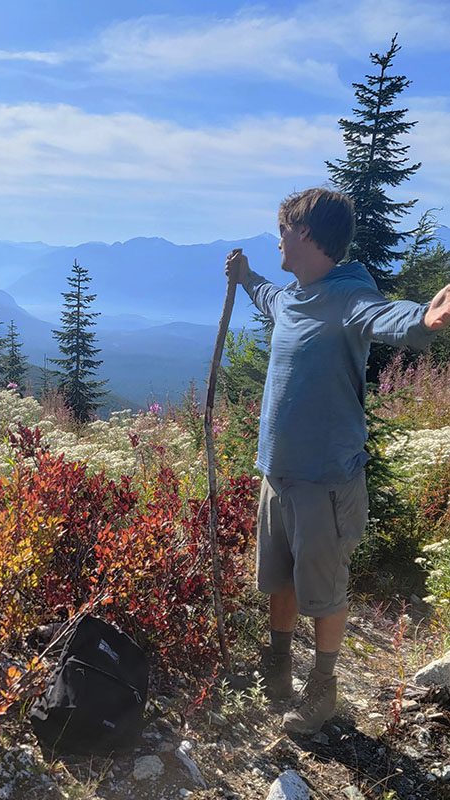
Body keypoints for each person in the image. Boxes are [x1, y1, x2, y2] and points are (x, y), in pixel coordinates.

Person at [225, 187, 450, 735]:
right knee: (279, 578)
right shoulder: (296, 297)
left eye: (281, 231)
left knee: (325, 589)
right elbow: (269, 299)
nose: (277, 240)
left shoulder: (348, 296)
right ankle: (277, 668)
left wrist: (424, 319)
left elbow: (384, 316)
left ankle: (322, 689)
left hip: (326, 481)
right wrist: (247, 275)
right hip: (277, 474)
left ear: (303, 234)